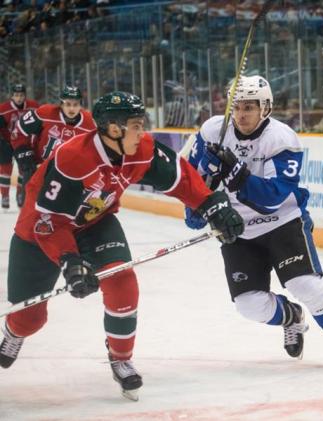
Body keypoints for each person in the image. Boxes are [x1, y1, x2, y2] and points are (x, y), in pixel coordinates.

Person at [0, 91, 244, 400]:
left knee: (122, 281)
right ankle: (14, 332)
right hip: (41, 230)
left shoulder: (140, 148)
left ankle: (121, 357)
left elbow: (180, 177)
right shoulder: (73, 159)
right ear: (113, 129)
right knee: (30, 319)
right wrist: (70, 262)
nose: (143, 131)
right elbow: (50, 224)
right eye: (136, 124)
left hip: (95, 222)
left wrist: (212, 206)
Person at [184, 76, 323, 367]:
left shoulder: (282, 139)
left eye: (249, 107)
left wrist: (235, 173)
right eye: (237, 107)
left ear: (265, 107)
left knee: (306, 285)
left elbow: (273, 196)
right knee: (248, 305)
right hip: (237, 229)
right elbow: (191, 175)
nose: (241, 114)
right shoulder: (212, 131)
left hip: (282, 222)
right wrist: (198, 204)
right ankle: (291, 316)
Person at [10, 86, 95, 189]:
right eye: (68, 104)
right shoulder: (45, 113)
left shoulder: (90, 125)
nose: (72, 108)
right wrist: (25, 155)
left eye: (75, 104)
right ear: (61, 104)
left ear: (81, 105)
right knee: (28, 203)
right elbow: (18, 132)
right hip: (37, 170)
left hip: (66, 178)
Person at [0, 83, 39, 209]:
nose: (19, 98)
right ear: (12, 96)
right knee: (5, 170)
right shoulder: (3, 108)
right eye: (16, 95)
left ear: (25, 96)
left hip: (24, 143)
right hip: (6, 143)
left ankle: (20, 194)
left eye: (21, 95)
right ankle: (4, 196)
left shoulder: (33, 107)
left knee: (24, 169)